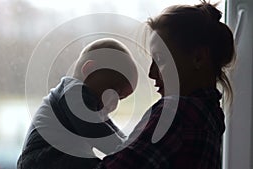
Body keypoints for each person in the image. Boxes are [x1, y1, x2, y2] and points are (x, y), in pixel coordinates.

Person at [95, 1, 235, 169]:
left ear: (198, 58)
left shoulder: (176, 113)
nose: (151, 74)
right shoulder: (211, 115)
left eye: (160, 59)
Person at [17, 38, 138, 169]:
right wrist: (129, 154)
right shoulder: (74, 93)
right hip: (42, 158)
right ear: (89, 70)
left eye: (119, 99)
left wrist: (130, 144)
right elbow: (97, 133)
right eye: (113, 91)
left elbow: (111, 131)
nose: (114, 103)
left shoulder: (92, 105)